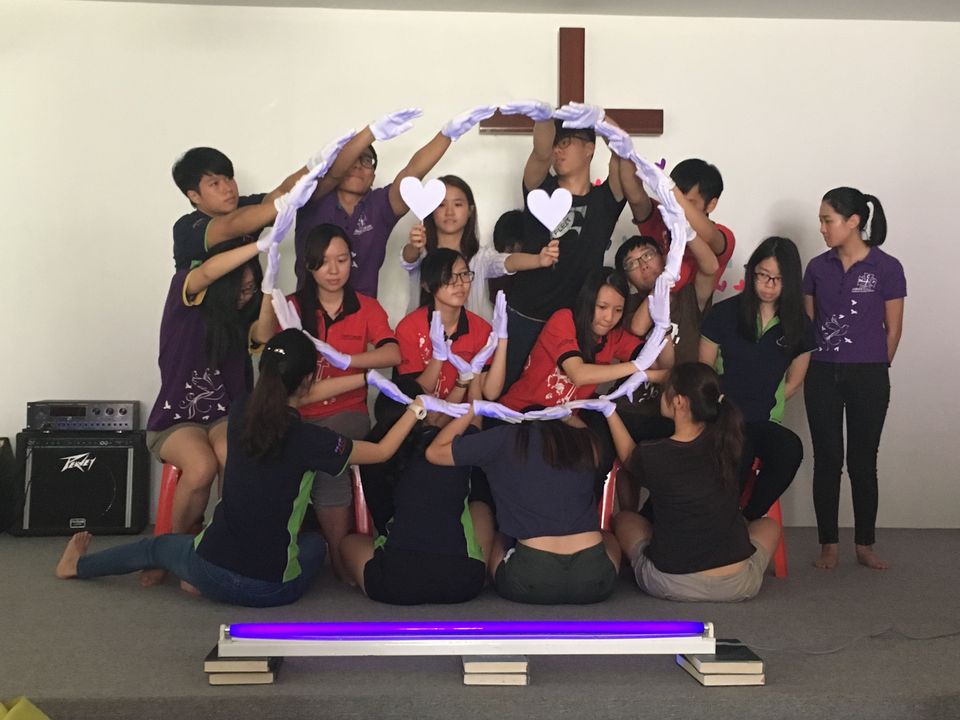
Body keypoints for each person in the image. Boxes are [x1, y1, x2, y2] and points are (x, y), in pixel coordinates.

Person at [56, 330, 432, 606]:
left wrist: (363, 378)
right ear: (308, 379)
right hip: (270, 590)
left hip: (209, 567)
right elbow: (382, 451)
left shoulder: (239, 411)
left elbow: (296, 395)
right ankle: (196, 577)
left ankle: (78, 566)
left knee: (155, 546)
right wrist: (415, 410)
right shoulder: (313, 441)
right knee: (313, 544)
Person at [253, 223, 401, 580]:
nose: (333, 270)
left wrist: (348, 360)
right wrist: (268, 292)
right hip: (295, 413)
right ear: (309, 265)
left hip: (346, 413)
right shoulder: (292, 306)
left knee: (328, 456)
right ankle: (264, 549)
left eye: (342, 260)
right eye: (323, 262)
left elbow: (393, 353)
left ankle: (338, 557)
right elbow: (261, 342)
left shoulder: (366, 307)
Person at [595, 362, 780, 602]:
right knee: (769, 526)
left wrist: (610, 412)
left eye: (665, 391)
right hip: (737, 585)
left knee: (625, 519)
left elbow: (629, 458)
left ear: (679, 402)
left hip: (670, 583)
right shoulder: (730, 443)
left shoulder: (655, 453)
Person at [425, 402, 621, 605]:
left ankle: (486, 575)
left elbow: (435, 452)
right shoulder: (583, 442)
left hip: (531, 578)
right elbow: (585, 432)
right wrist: (567, 415)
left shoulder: (505, 438)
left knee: (501, 535)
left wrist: (472, 410)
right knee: (607, 536)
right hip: (594, 578)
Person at [144, 237, 273, 546]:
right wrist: (260, 245)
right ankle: (171, 548)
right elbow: (207, 272)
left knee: (234, 457)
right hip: (174, 420)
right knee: (201, 467)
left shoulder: (242, 321)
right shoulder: (184, 297)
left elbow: (264, 334)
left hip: (223, 417)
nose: (245, 297)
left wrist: (269, 289)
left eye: (250, 289)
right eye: (239, 289)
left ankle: (223, 542)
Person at [495, 101, 631, 389]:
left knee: (560, 399)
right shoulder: (540, 188)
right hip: (525, 314)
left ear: (589, 149)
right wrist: (544, 115)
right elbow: (541, 152)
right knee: (507, 394)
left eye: (566, 143)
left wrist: (602, 118)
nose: (558, 150)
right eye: (557, 143)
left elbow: (623, 152)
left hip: (574, 321)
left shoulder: (605, 199)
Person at [804, 188, 905, 570]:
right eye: (821, 220)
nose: (822, 228)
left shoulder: (887, 267)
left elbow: (893, 329)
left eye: (827, 220)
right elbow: (810, 325)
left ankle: (865, 544)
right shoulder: (817, 268)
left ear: (853, 222)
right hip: (821, 373)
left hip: (869, 375)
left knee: (863, 461)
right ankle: (828, 544)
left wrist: (875, 366)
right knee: (827, 460)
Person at [294, 106, 495, 297]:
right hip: (308, 311)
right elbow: (332, 175)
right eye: (351, 160)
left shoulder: (380, 205)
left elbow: (412, 171)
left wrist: (447, 134)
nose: (357, 166)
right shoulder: (314, 197)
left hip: (364, 315)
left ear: (373, 176)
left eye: (366, 161)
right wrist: (372, 131)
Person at [340, 389, 493, 605]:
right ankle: (484, 572)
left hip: (395, 583)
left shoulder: (376, 449)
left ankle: (347, 578)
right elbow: (474, 422)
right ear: (427, 413)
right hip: (462, 583)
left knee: (349, 543)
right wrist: (472, 383)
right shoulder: (455, 447)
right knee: (480, 508)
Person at [700, 236, 816, 520]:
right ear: (751, 272)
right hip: (723, 416)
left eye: (778, 279)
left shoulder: (799, 325)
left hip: (764, 419)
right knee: (741, 449)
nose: (768, 285)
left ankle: (747, 517)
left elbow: (795, 381)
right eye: (762, 275)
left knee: (790, 450)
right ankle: (724, 520)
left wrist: (768, 400)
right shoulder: (724, 313)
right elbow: (703, 371)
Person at [171, 135, 350, 270]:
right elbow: (233, 224)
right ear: (194, 196)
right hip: (203, 311)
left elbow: (281, 191)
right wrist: (286, 202)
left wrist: (312, 166)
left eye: (229, 178)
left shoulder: (244, 205)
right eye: (215, 184)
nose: (228, 188)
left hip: (251, 308)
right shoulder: (186, 228)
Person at [400, 176, 558, 319]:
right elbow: (409, 258)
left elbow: (508, 261)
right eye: (441, 205)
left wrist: (538, 259)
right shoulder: (421, 252)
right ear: (430, 210)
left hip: (474, 340)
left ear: (470, 210)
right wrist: (415, 246)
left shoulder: (480, 257)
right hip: (419, 337)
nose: (449, 212)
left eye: (457, 204)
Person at [625, 158, 735, 364]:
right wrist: (624, 152)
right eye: (672, 199)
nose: (676, 208)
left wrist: (670, 191)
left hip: (689, 323)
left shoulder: (721, 235)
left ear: (711, 204)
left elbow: (711, 247)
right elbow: (635, 196)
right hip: (650, 316)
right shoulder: (661, 219)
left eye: (689, 202)